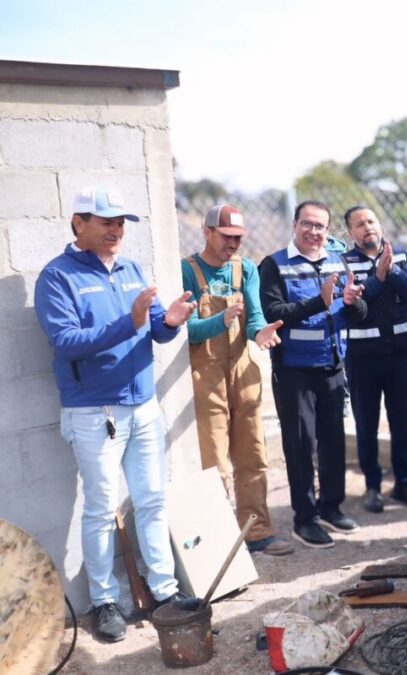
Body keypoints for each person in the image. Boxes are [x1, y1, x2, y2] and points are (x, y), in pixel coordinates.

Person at [34, 186, 197, 642]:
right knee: (103, 510)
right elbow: (65, 341)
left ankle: (163, 592)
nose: (115, 229)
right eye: (105, 221)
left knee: (150, 499)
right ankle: (104, 602)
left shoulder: (131, 268)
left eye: (121, 221)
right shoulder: (57, 277)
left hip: (143, 404)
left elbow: (157, 330)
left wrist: (171, 320)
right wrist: (132, 321)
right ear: (78, 224)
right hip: (93, 412)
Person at [181, 204, 293, 557]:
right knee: (213, 460)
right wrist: (221, 320)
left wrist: (260, 334)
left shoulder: (245, 269)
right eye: (227, 237)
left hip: (243, 370)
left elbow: (255, 316)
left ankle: (257, 531)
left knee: (253, 454)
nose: (233, 243)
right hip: (205, 373)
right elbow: (186, 332)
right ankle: (216, 539)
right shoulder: (187, 271)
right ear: (207, 232)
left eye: (238, 238)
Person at [259, 200, 363, 549]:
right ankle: (304, 518)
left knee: (333, 439)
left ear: (328, 230)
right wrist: (319, 301)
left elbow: (357, 313)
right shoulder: (274, 265)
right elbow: (275, 311)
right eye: (307, 224)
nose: (314, 231)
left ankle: (330, 507)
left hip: (332, 364)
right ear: (294, 224)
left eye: (320, 226)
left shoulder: (339, 261)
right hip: (294, 370)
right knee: (301, 443)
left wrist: (354, 302)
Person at [341, 206, 407, 513]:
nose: (367, 228)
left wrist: (391, 271)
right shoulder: (344, 264)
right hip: (362, 359)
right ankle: (373, 487)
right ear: (350, 233)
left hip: (399, 356)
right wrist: (379, 277)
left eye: (371, 221)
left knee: (401, 422)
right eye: (359, 224)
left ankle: (404, 484)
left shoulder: (400, 255)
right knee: (367, 424)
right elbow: (354, 308)